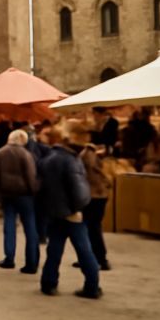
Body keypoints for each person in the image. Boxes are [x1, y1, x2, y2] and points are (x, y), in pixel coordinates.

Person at [38, 125, 102, 299]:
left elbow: (40, 187)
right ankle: (92, 287)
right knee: (84, 250)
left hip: (54, 211)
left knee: (54, 249)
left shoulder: (47, 159)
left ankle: (48, 283)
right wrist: (79, 207)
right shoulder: (71, 161)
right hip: (72, 212)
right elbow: (79, 191)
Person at [0, 129, 40, 274]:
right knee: (30, 227)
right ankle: (31, 262)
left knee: (9, 225)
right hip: (24, 195)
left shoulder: (0, 153)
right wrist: (34, 191)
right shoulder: (26, 154)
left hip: (7, 193)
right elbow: (31, 176)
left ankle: (9, 258)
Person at [79, 140, 113, 271]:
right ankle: (94, 258)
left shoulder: (85, 154)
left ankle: (100, 259)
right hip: (100, 196)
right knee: (93, 227)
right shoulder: (94, 155)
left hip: (92, 197)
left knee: (91, 228)